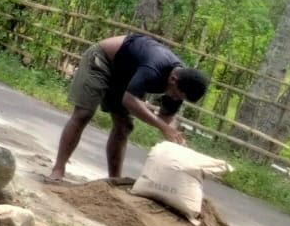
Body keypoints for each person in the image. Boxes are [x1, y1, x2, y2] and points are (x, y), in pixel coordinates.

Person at [45, 33, 208, 185]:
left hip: (124, 77)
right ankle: (58, 169)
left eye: (181, 99)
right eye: (177, 95)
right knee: (84, 113)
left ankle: (114, 180)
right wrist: (164, 127)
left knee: (124, 126)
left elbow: (165, 120)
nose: (176, 99)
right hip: (102, 60)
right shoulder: (155, 65)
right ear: (173, 80)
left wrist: (177, 143)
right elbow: (130, 100)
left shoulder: (182, 84)